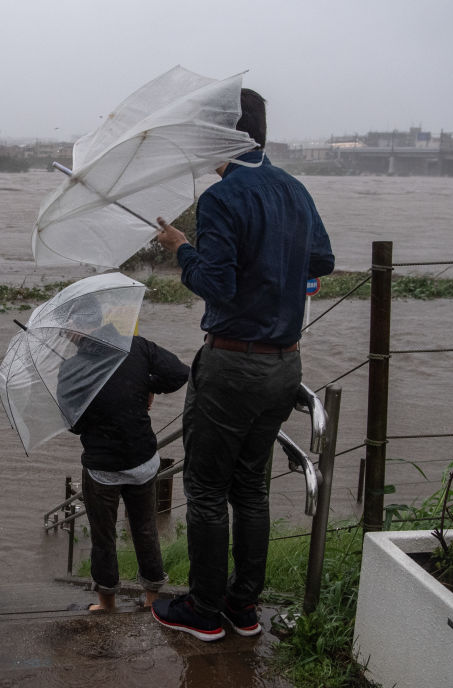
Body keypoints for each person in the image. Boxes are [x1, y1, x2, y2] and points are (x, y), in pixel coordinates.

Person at [150, 88, 335, 640]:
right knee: (250, 489)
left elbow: (218, 287)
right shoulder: (294, 189)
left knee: (206, 489)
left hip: (231, 367)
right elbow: (321, 259)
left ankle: (204, 612)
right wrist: (278, 271)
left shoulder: (222, 197)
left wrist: (183, 249)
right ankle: (243, 608)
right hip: (285, 365)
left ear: (224, 136)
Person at [59, 315, 189, 612]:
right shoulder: (137, 346)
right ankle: (153, 598)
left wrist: (89, 398)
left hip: (102, 467)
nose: (65, 334)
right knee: (146, 529)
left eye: (68, 327)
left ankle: (106, 602)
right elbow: (180, 374)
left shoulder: (71, 369)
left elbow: (73, 424)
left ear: (83, 327)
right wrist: (148, 386)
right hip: (142, 460)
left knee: (103, 536)